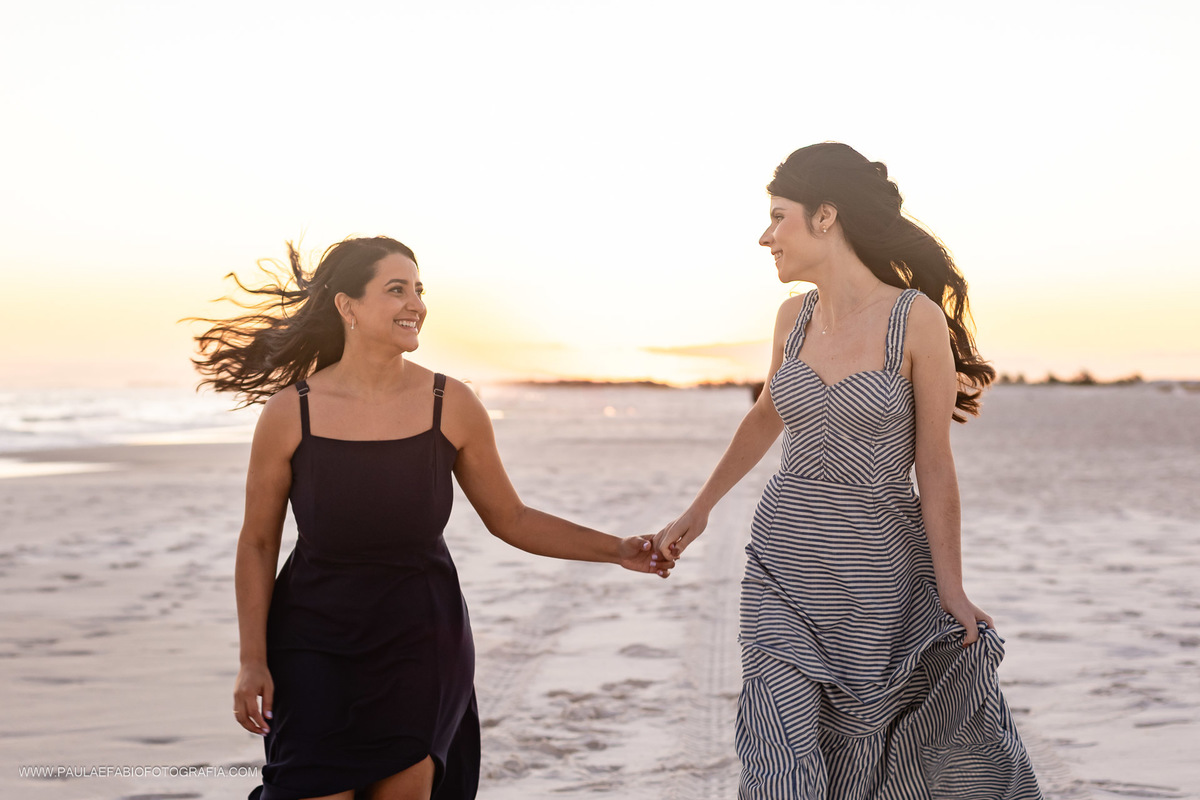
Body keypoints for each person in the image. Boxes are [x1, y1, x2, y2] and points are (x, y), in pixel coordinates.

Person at [193, 236, 673, 800]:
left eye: (419, 290)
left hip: (421, 643)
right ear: (347, 305)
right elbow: (257, 543)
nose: (415, 304)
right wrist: (252, 660)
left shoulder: (452, 403)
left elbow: (511, 517)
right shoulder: (290, 412)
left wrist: (616, 549)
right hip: (311, 644)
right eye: (396, 290)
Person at [652, 143, 1042, 799]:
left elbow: (935, 465)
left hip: (878, 580)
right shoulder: (792, 318)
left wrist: (952, 588)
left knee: (872, 763)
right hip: (783, 568)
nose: (766, 237)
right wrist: (699, 509)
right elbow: (764, 418)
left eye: (779, 217)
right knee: (777, 759)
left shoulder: (914, 320)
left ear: (826, 216)